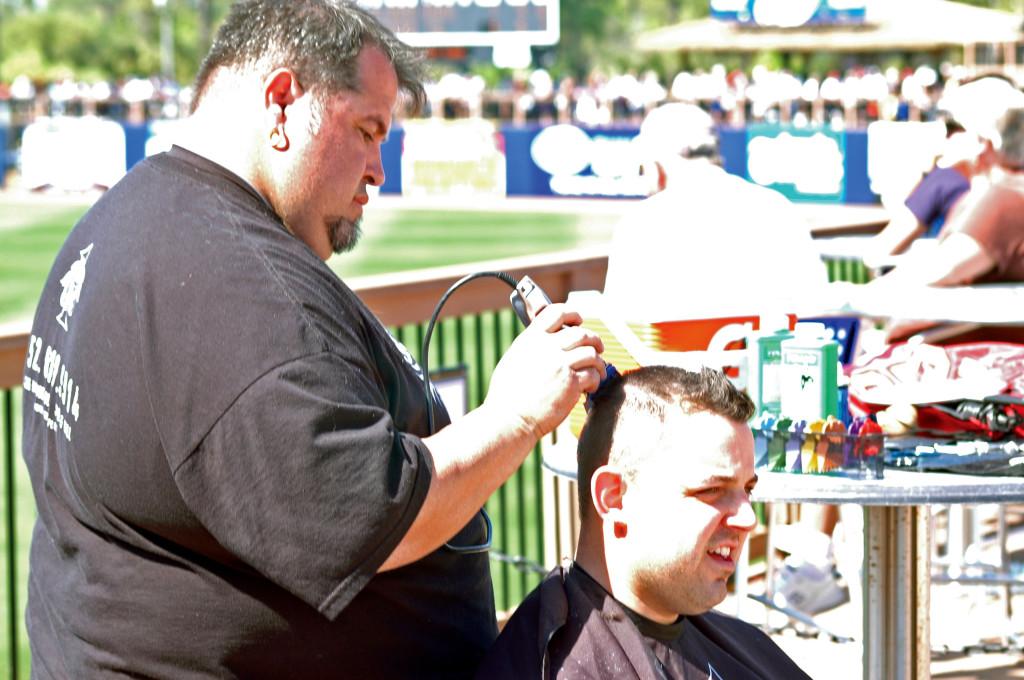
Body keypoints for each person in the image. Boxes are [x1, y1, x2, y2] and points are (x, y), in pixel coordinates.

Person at [20, 2, 605, 678]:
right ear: (280, 103)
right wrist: (518, 414)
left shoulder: (134, 211)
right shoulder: (232, 282)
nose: (378, 171)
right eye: (366, 129)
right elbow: (380, 516)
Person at [475, 366, 812, 679]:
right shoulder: (563, 666)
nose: (748, 518)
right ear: (614, 498)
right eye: (712, 490)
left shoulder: (733, 641)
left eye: (747, 490)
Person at [870, 105, 1024, 344]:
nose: (947, 138)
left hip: (967, 360)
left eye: (957, 130)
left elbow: (940, 269)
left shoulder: (1005, 198)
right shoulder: (999, 193)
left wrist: (856, 297)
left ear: (986, 144)